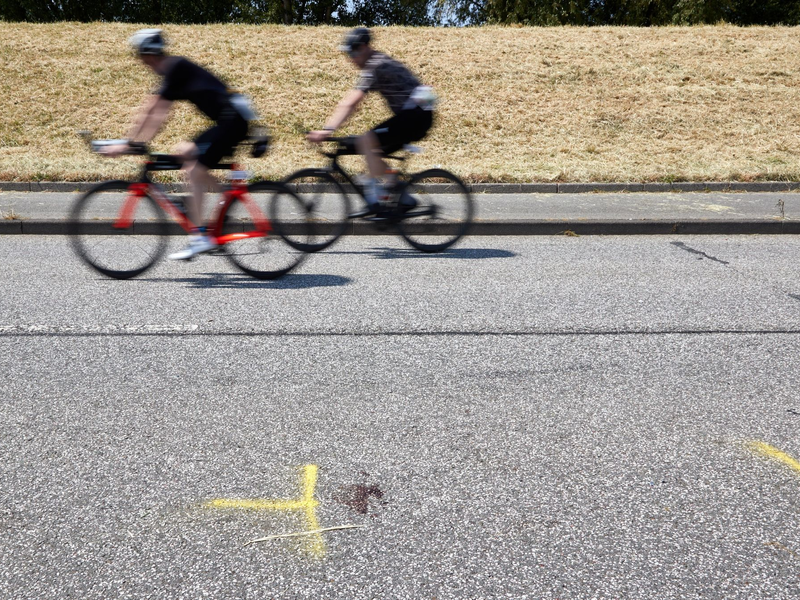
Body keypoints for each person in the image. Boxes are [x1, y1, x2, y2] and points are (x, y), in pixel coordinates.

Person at [102, 29, 253, 260]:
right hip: (228, 121)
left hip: (232, 122)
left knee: (193, 172)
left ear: (148, 54)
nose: (141, 62)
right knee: (184, 154)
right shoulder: (174, 69)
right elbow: (154, 110)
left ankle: (200, 237)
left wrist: (129, 144)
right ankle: (225, 199)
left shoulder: (175, 69)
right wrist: (133, 142)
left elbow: (155, 112)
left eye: (141, 57)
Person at [307, 27, 436, 216]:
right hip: (415, 115)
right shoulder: (375, 64)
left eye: (353, 52)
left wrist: (327, 130)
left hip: (416, 115)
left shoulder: (376, 65)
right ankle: (400, 195)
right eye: (348, 54)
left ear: (364, 47)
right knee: (371, 154)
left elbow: (351, 102)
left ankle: (377, 201)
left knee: (367, 140)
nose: (351, 58)